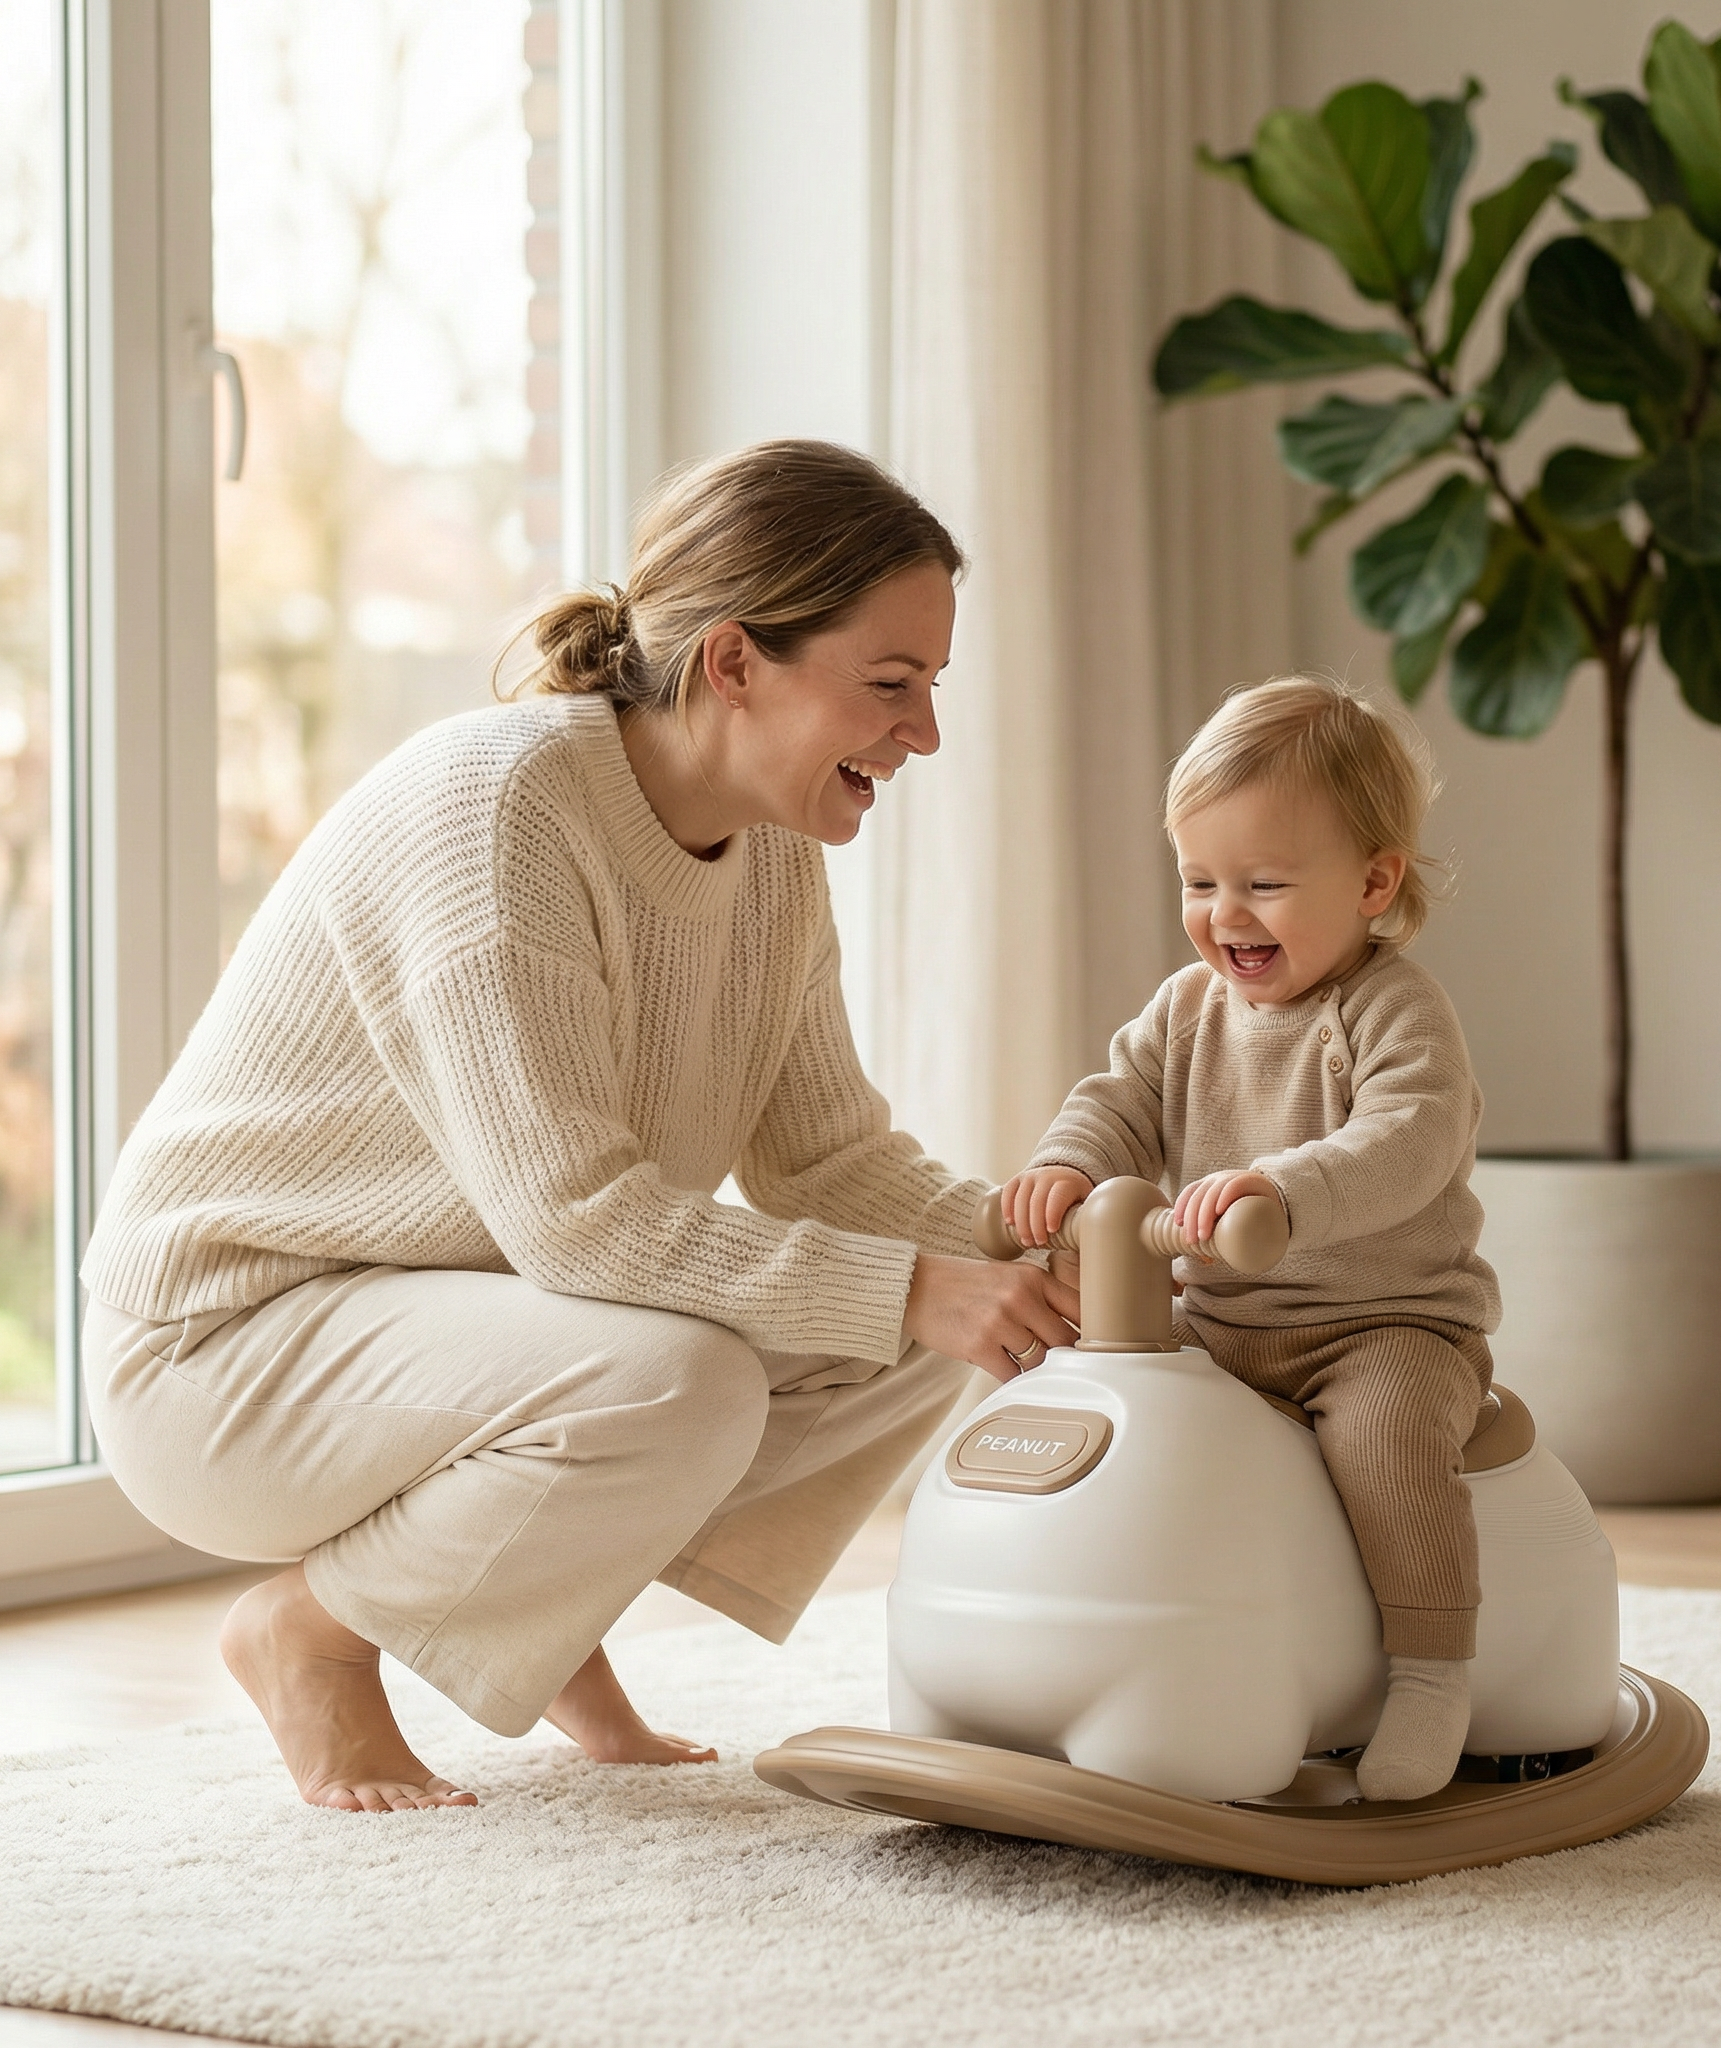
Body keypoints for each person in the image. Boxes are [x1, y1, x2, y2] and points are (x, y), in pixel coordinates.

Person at [80, 440, 1077, 1812]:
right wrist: (916, 1284)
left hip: (446, 1324)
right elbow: (576, 1222)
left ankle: (547, 1618)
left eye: (932, 689)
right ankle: (311, 1631)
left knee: (939, 1330)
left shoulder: (772, 853)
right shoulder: (499, 811)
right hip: (225, 1352)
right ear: (734, 663)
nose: (924, 735)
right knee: (714, 1372)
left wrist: (1021, 1245)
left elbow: (829, 1162)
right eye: (890, 686)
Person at [1000, 675, 1500, 1801]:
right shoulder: (1186, 1009)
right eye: (1198, 880)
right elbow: (1118, 1092)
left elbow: (1406, 1140)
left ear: (1373, 880)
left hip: (1382, 1324)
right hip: (1218, 1322)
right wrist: (1065, 1164)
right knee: (1104, 1411)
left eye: (1265, 884)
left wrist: (1276, 1190)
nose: (1225, 912)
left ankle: (1429, 1669)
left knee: (1383, 1440)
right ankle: (1097, 1644)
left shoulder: (1390, 1010)